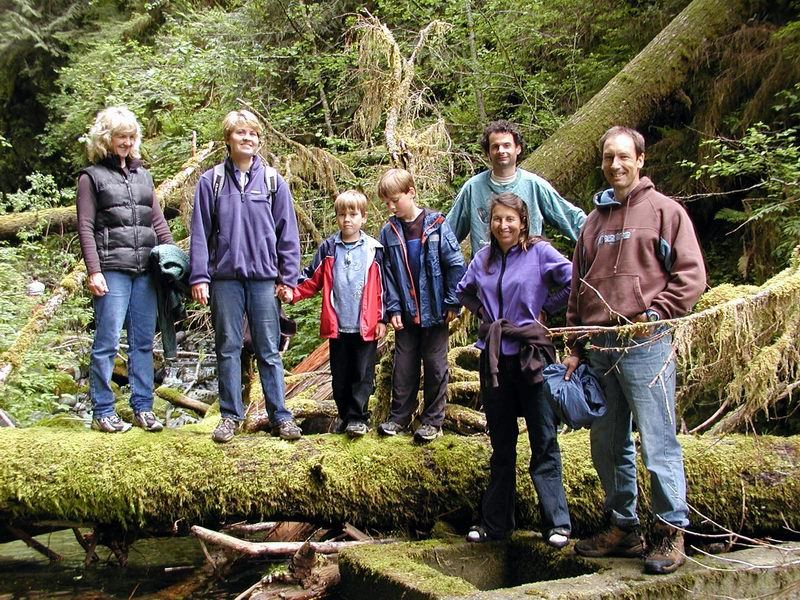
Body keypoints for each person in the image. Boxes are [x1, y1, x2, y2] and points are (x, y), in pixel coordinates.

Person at [563, 126, 707, 574]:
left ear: (640, 160)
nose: (616, 165)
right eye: (608, 158)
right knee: (606, 442)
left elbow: (690, 276)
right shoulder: (592, 222)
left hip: (646, 344)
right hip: (600, 347)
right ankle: (623, 527)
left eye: (624, 156)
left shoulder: (665, 212)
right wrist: (574, 344)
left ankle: (670, 529)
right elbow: (578, 287)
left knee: (657, 440)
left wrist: (654, 315)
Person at [457, 192, 573, 548]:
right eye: (497, 219)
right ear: (489, 224)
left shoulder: (539, 253)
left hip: (532, 353)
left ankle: (557, 524)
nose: (503, 225)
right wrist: (486, 317)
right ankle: (496, 524)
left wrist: (544, 308)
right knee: (501, 444)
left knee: (543, 438)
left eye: (510, 219)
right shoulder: (483, 258)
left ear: (522, 221)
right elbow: (463, 292)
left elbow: (572, 280)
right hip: (494, 358)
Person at [189, 109, 303, 443]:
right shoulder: (212, 182)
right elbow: (200, 233)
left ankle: (280, 417)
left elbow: (288, 233)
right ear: (229, 139)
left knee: (269, 349)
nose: (247, 138)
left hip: (264, 279)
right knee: (228, 347)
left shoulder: (272, 181)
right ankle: (229, 417)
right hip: (224, 279)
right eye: (241, 133)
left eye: (252, 133)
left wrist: (288, 278)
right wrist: (199, 277)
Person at [77, 106, 174, 433]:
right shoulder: (91, 178)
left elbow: (157, 220)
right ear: (106, 138)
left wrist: (172, 257)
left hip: (145, 270)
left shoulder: (143, 174)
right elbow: (85, 227)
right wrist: (94, 271)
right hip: (112, 269)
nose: (128, 142)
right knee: (106, 341)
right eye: (122, 136)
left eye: (132, 137)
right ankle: (102, 411)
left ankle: (143, 408)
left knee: (143, 342)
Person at [377, 168, 466, 443]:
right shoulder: (389, 231)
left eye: (395, 200)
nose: (391, 207)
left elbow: (455, 264)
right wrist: (391, 309)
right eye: (387, 203)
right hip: (404, 312)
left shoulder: (437, 222)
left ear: (411, 192)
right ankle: (399, 418)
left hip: (436, 310)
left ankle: (432, 421)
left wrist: (453, 301)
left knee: (436, 365)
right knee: (404, 366)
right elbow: (386, 274)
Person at [291, 190, 387, 438]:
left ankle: (358, 417)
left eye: (353, 214)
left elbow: (387, 288)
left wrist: (383, 318)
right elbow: (311, 278)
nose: (347, 219)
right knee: (340, 376)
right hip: (338, 325)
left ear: (363, 217)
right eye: (342, 214)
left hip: (366, 325)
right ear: (337, 218)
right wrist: (292, 293)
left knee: (362, 374)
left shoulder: (374, 250)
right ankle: (344, 416)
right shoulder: (329, 249)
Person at [446, 120, 586, 258]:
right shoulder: (473, 189)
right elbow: (447, 234)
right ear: (488, 152)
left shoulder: (534, 185)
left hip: (529, 271)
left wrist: (600, 233)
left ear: (517, 148)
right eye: (495, 147)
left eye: (507, 145)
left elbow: (569, 218)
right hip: (486, 273)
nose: (501, 151)